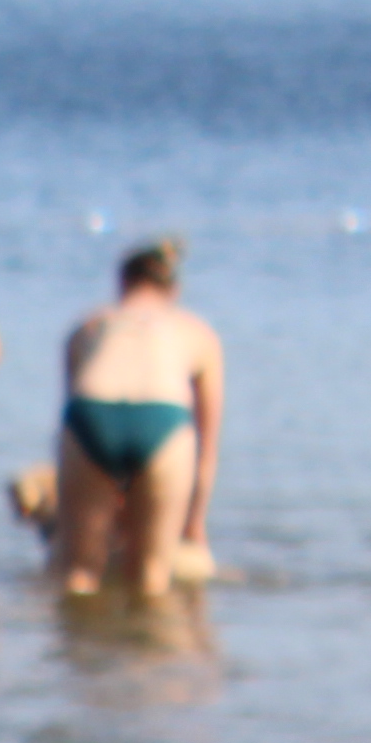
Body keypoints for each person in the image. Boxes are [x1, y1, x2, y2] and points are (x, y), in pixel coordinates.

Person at [34, 237, 227, 599]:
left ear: (122, 283)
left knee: (78, 571)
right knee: (152, 576)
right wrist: (195, 521)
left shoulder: (88, 326)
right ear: (175, 289)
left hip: (93, 414)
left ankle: (72, 651)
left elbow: (66, 419)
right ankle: (144, 649)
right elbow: (206, 443)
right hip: (162, 417)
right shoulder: (197, 332)